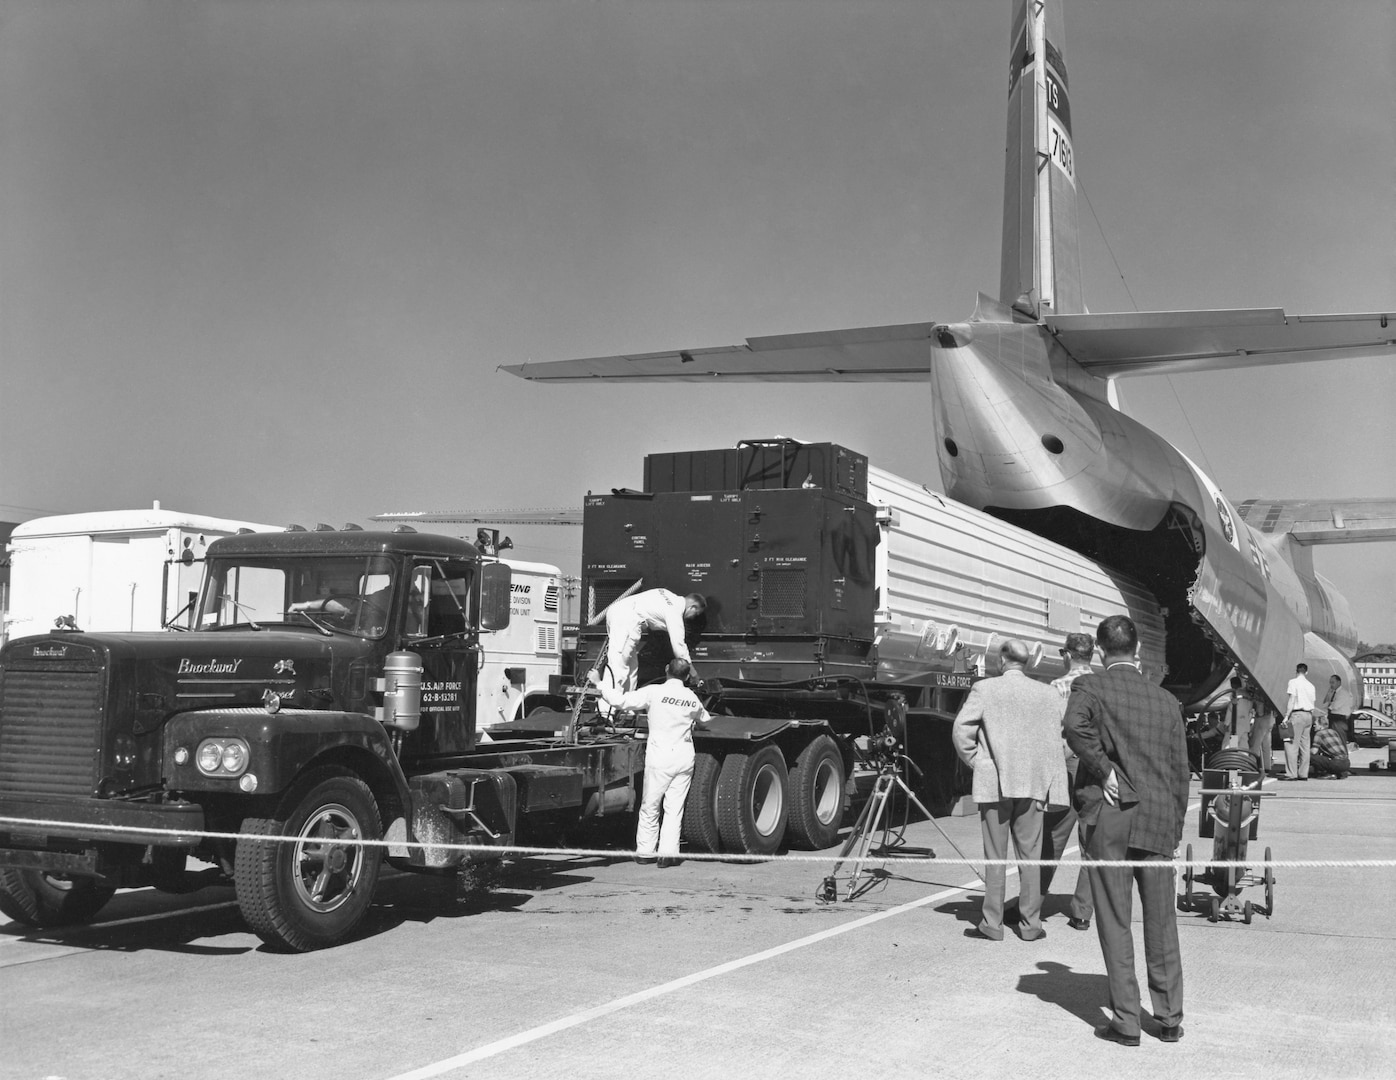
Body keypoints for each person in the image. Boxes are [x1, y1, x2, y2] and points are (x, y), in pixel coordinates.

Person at [1064, 615, 1189, 1046]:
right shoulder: (1166, 701)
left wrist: (1104, 770)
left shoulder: (1091, 686)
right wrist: (1174, 828)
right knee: (1161, 920)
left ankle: (1126, 1021)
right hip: (1158, 820)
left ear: (1099, 651)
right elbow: (1180, 772)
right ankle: (1169, 1016)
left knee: (1116, 919)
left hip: (1112, 817)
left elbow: (1074, 726)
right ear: (1138, 652)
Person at [952, 638, 1069, 942]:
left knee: (995, 854)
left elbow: (961, 729)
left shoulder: (985, 689)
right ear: (1027, 663)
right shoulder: (1049, 694)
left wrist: (978, 762)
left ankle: (993, 923)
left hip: (996, 782)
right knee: (1030, 856)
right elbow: (1066, 738)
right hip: (1034, 784)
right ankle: (1031, 925)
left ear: (1002, 661)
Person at [592, 658, 709, 866]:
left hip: (660, 757)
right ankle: (668, 855)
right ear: (686, 676)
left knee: (650, 805)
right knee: (674, 808)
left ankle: (646, 852)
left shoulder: (654, 692)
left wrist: (599, 683)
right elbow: (705, 720)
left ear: (666, 669)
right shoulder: (691, 697)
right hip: (683, 757)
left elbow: (620, 701)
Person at [1039, 632, 1097, 931]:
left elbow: (1051, 732)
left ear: (1066, 654)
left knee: (1052, 836)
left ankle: (1033, 903)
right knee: (1091, 839)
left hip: (1065, 764)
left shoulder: (1056, 687)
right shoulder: (1102, 686)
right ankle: (1082, 913)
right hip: (1095, 765)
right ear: (1092, 654)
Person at [601, 589, 706, 697]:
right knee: (619, 664)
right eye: (695, 614)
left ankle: (627, 707)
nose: (692, 618)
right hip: (625, 619)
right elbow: (679, 648)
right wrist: (694, 674)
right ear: (692, 607)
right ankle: (606, 709)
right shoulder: (674, 611)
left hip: (621, 613)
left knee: (631, 668)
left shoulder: (666, 593)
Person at [1282, 663, 1316, 781]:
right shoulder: (1311, 685)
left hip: (1297, 714)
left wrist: (1286, 716)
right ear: (1306, 672)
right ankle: (1303, 773)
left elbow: (1292, 699)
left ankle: (1291, 773)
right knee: (1305, 746)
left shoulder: (1293, 682)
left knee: (1291, 744)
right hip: (1308, 715)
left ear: (1296, 671)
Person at [1309, 714, 1351, 779]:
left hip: (1336, 763)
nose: (1314, 726)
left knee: (1311, 757)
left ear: (1320, 726)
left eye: (1315, 724)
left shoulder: (1319, 734)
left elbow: (1314, 751)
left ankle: (1328, 773)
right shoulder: (1333, 732)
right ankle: (1340, 772)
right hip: (1346, 762)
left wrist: (1304, 751)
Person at [1320, 675, 1354, 748]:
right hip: (1333, 719)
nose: (1331, 685)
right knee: (1335, 742)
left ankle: (1343, 757)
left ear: (1339, 682)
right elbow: (1325, 704)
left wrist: (1329, 704)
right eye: (1330, 683)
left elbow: (1334, 706)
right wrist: (1329, 694)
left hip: (1339, 720)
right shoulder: (1334, 693)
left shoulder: (1342, 693)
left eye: (1333, 682)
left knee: (1340, 741)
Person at [1223, 676, 1255, 753]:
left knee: (1231, 745)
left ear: (1233, 685)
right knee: (1243, 746)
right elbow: (1250, 710)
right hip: (1245, 725)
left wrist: (1226, 723)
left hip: (1235, 726)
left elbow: (1232, 709)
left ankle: (1231, 761)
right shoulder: (1248, 695)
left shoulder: (1234, 694)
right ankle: (1244, 762)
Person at [1248, 699, 1277, 775]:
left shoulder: (1259, 695)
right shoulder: (1270, 696)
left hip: (1262, 718)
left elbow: (1260, 710)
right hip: (1270, 718)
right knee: (1266, 744)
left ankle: (1252, 764)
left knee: (1255, 744)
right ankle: (1267, 766)